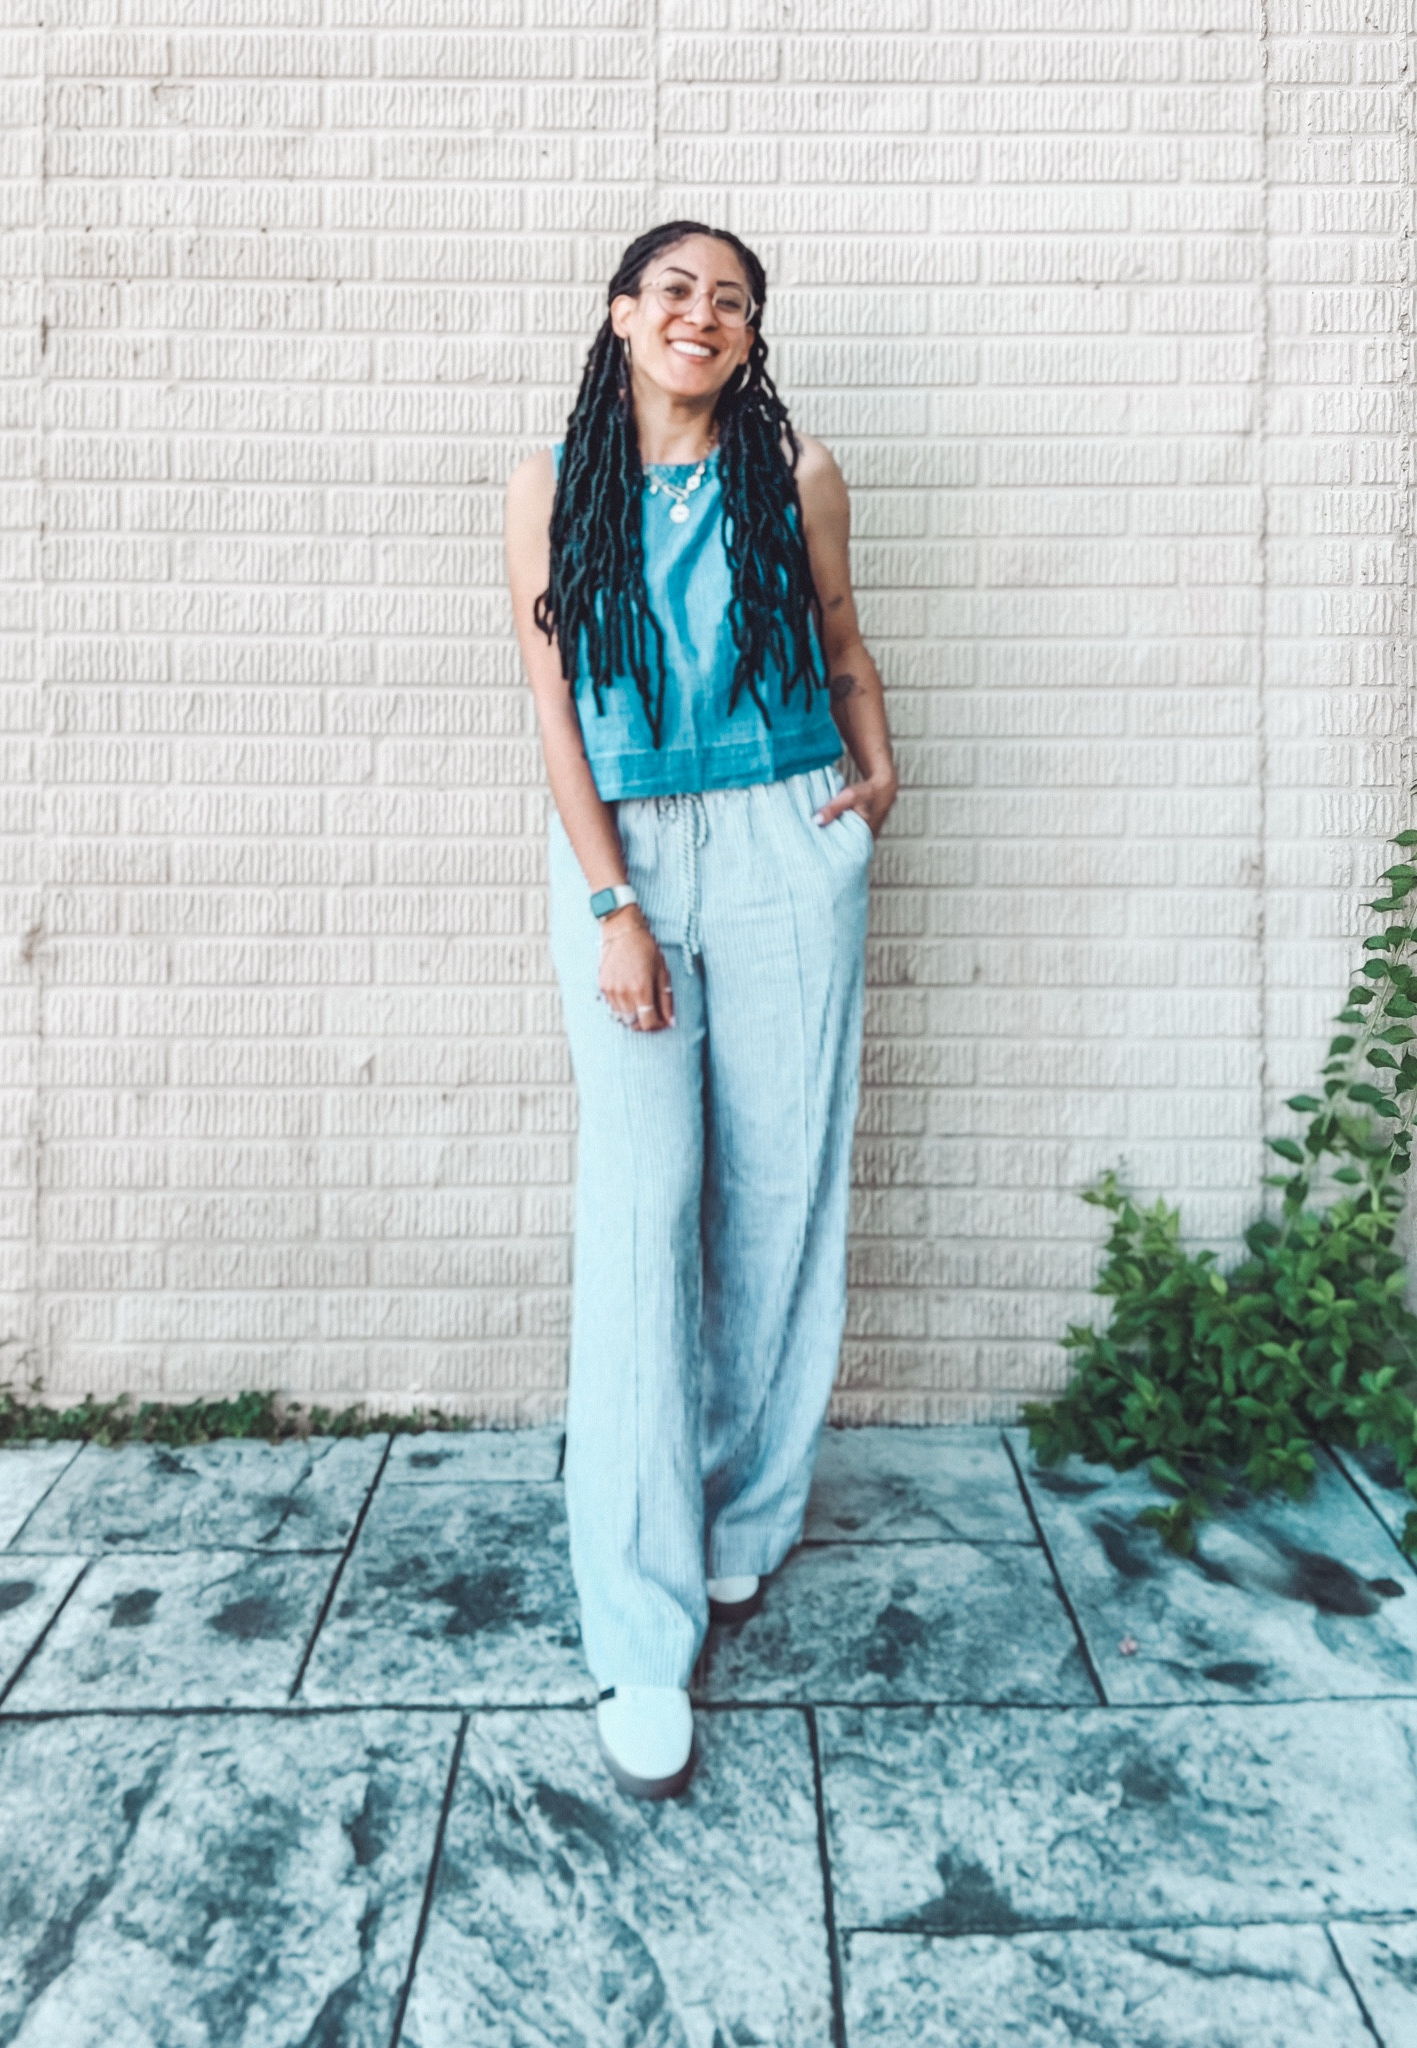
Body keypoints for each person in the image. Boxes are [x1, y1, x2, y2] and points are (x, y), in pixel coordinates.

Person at [505, 222, 897, 1799]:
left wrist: (879, 766)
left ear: (749, 335)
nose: (703, 313)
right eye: (675, 289)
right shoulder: (551, 484)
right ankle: (638, 1622)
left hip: (790, 835)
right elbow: (554, 707)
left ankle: (741, 1513)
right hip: (632, 859)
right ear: (621, 314)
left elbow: (843, 633)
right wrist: (614, 905)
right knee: (646, 1208)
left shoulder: (795, 470)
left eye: (730, 299)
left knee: (785, 1190)